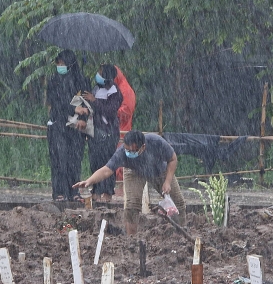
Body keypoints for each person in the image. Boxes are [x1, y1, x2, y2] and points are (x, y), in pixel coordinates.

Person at [74, 130, 187, 235]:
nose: (129, 153)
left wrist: (167, 182)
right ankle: (131, 239)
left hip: (159, 170)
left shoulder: (156, 142)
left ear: (143, 147)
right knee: (132, 206)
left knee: (178, 202)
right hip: (133, 171)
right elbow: (106, 171)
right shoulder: (122, 152)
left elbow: (173, 159)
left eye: (133, 151)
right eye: (127, 150)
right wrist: (89, 181)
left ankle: (181, 234)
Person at [46, 49, 91, 202]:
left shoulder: (82, 81)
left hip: (77, 128)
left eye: (63, 64)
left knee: (74, 160)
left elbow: (87, 103)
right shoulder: (54, 81)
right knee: (60, 159)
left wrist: (83, 118)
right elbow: (55, 104)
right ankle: (59, 191)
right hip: (59, 124)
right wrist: (72, 109)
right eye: (58, 64)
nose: (60, 66)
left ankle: (74, 191)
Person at [80, 64, 122, 202]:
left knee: (108, 164)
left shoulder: (115, 92)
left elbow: (110, 111)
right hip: (95, 132)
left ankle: (108, 192)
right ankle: (96, 190)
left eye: (100, 72)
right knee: (95, 162)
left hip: (108, 133)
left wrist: (94, 101)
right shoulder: (95, 89)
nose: (97, 75)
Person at [113, 66, 136, 182]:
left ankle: (122, 190)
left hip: (122, 129)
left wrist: (111, 112)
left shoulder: (125, 90)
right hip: (115, 129)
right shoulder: (117, 87)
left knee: (120, 164)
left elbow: (127, 110)